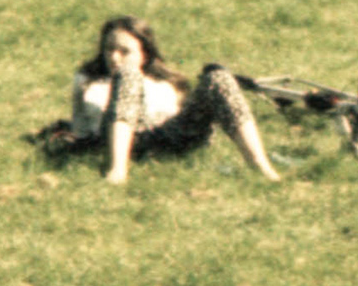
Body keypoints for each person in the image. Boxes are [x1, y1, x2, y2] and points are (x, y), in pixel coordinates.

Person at [37, 16, 281, 183]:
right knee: (127, 74)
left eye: (124, 51)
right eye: (108, 49)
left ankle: (261, 167)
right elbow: (80, 126)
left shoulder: (166, 83)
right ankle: (117, 170)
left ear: (145, 53)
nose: (114, 57)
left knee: (219, 77)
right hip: (120, 139)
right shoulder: (88, 81)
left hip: (170, 136)